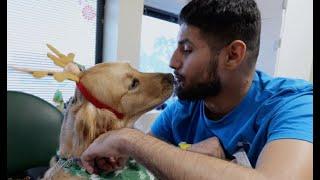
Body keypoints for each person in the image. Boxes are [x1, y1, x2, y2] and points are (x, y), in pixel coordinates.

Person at [80, 0, 313, 179]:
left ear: (233, 55)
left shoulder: (295, 106)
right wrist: (125, 157)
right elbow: (149, 154)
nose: (173, 61)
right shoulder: (186, 106)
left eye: (187, 49)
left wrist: (129, 140)